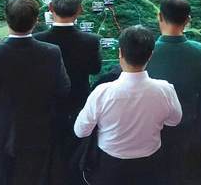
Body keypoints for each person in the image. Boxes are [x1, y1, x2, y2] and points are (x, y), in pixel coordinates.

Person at [0, 0, 70, 185]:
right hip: (38, 133)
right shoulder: (51, 52)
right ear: (36, 21)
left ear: (7, 20)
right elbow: (63, 89)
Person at [74, 25, 182, 185]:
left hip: (110, 166)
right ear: (151, 55)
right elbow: (174, 120)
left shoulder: (102, 92)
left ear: (120, 53)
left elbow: (80, 131)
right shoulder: (165, 89)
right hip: (150, 164)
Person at [33, 0, 102, 182]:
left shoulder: (38, 40)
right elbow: (95, 69)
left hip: (47, 110)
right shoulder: (91, 41)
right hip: (78, 109)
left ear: (51, 8)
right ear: (80, 10)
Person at [146, 0, 201, 185]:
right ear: (188, 20)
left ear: (160, 16)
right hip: (185, 124)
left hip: (151, 125)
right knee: (176, 168)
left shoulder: (147, 51)